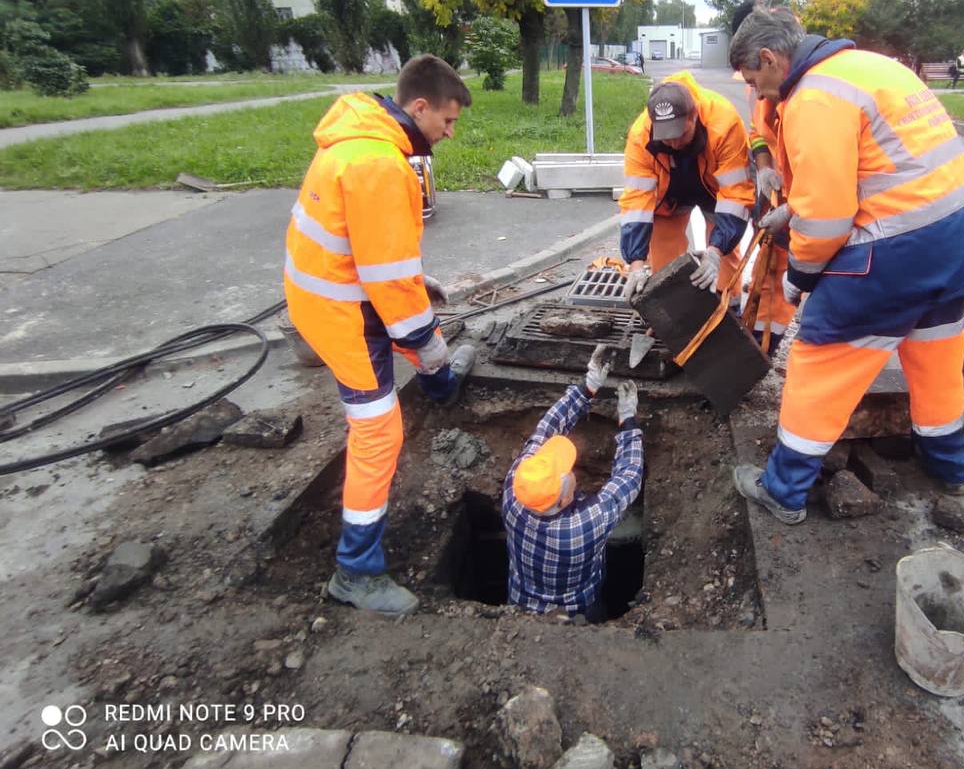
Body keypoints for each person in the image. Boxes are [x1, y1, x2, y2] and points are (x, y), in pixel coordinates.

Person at [727, 7, 964, 522]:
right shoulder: (870, 67)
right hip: (961, 236)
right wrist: (794, 205)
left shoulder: (812, 98)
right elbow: (879, 168)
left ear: (769, 57)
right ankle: (949, 468)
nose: (759, 94)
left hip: (899, 251)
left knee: (820, 361)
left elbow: (828, 219)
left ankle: (783, 491)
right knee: (937, 358)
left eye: (755, 80)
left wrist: (798, 277)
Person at [284, 53, 477, 615]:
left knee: (415, 331)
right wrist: (426, 338)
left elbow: (369, 250)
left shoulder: (357, 143)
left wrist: (416, 286)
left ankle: (442, 390)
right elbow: (389, 287)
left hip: (333, 293)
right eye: (447, 120)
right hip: (342, 314)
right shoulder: (381, 165)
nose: (449, 131)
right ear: (419, 107)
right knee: (379, 433)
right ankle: (356, 571)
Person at [503, 346, 643, 622]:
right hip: (579, 610)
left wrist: (587, 387)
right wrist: (627, 420)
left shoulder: (513, 494)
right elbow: (629, 476)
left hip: (519, 604)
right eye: (567, 471)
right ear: (563, 497)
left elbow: (545, 431)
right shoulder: (585, 524)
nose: (572, 468)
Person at [618, 75, 755, 298]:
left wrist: (715, 251)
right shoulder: (640, 135)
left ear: (694, 115)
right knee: (663, 255)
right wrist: (635, 263)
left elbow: (736, 196)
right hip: (670, 191)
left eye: (680, 134)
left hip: (715, 187)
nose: (673, 143)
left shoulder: (724, 123)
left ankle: (725, 310)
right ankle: (670, 313)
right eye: (666, 137)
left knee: (724, 257)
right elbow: (636, 202)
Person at [729, 0, 797, 354]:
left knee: (782, 262)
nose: (752, 86)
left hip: (801, 187)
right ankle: (754, 328)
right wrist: (764, 163)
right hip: (774, 180)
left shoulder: (800, 86)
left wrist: (793, 205)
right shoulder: (760, 77)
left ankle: (766, 341)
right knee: (764, 253)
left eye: (753, 78)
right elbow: (757, 127)